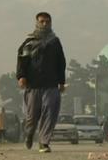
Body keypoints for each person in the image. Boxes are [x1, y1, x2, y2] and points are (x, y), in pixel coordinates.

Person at [16, 12, 66, 153]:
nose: (45, 24)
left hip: (51, 85)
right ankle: (29, 133)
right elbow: (22, 61)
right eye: (42, 21)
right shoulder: (29, 42)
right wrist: (21, 76)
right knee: (31, 117)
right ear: (37, 23)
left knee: (50, 112)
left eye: (47, 22)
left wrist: (61, 82)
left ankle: (44, 142)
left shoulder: (55, 42)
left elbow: (61, 62)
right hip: (33, 85)